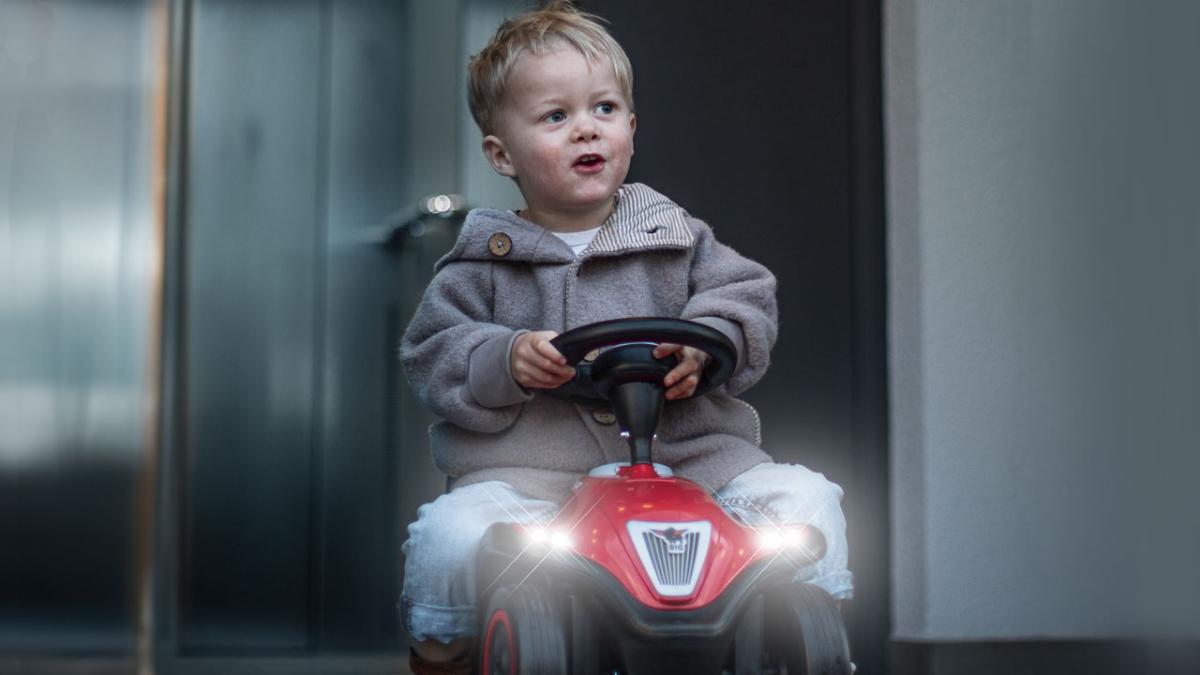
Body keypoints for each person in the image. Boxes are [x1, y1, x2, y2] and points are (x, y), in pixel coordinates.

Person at [398, 2, 852, 672]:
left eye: (604, 109)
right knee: (448, 534)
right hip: (534, 481)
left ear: (631, 129)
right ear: (501, 154)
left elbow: (744, 296)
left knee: (807, 500)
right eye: (556, 116)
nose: (587, 128)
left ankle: (810, 634)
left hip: (693, 466)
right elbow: (434, 352)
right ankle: (447, 653)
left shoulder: (677, 237)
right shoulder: (480, 266)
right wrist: (505, 359)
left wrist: (709, 342)